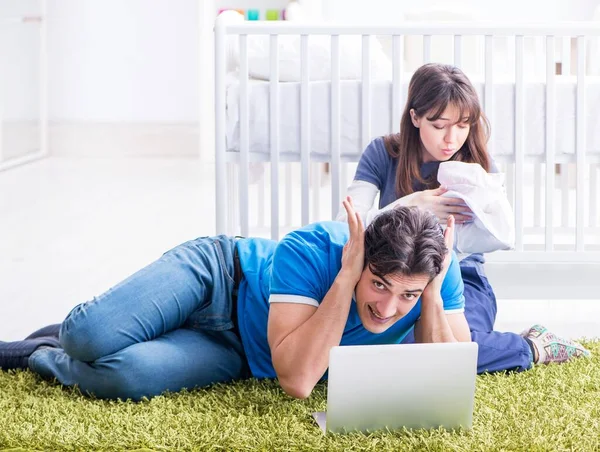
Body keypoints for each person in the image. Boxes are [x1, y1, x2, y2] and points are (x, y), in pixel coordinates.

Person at [0, 200, 470, 401]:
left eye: (407, 294)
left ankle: (42, 355)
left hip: (240, 352)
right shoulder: (312, 249)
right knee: (89, 335)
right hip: (220, 277)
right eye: (379, 285)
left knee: (125, 377)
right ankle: (70, 335)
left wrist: (428, 295)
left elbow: (448, 378)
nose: (389, 310)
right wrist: (346, 277)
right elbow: (301, 379)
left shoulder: (434, 274)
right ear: (363, 258)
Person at [337, 63, 590, 373]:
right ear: (415, 117)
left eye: (462, 125)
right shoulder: (384, 152)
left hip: (464, 278)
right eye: (439, 125)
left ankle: (533, 346)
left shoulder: (477, 163)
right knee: (388, 346)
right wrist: (412, 205)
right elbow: (344, 224)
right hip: (397, 279)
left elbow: (502, 235)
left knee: (456, 353)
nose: (451, 138)